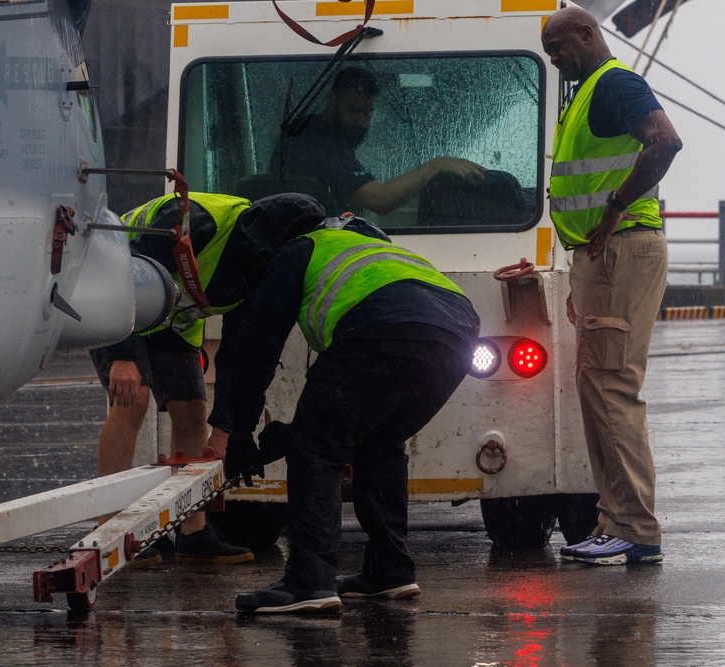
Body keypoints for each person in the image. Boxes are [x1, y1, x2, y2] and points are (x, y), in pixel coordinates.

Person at [222, 213, 480, 613]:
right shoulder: (375, 247)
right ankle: (389, 570)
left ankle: (309, 581)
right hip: (457, 331)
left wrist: (238, 433)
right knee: (378, 440)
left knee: (316, 449)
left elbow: (258, 346)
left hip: (383, 329)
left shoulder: (298, 249)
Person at [92, 191, 327, 565]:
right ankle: (108, 533)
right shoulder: (194, 220)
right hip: (120, 294)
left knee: (193, 410)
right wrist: (123, 355)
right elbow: (126, 273)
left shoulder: (259, 271)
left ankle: (193, 531)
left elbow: (239, 356)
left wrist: (226, 430)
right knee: (132, 398)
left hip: (172, 316)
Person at [541, 6, 682, 566]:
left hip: (619, 250)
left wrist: (616, 210)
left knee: (611, 387)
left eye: (560, 46)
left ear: (587, 33)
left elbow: (665, 142)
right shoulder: (585, 94)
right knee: (597, 387)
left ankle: (633, 525)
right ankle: (617, 522)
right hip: (602, 258)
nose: (555, 58)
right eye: (548, 52)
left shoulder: (614, 83)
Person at [276, 65, 486, 215]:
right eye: (352, 110)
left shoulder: (308, 129)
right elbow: (379, 200)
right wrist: (436, 166)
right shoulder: (319, 140)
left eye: (367, 113)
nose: (360, 121)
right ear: (332, 102)